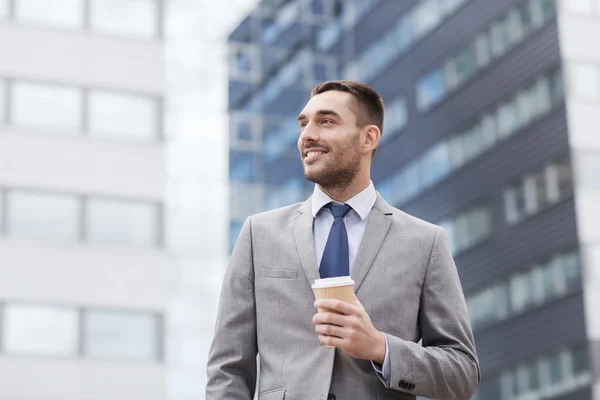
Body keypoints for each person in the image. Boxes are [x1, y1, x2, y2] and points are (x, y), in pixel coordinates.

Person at [206, 80, 480, 400]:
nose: (307, 135)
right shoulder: (259, 235)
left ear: (368, 137)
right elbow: (227, 369)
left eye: (326, 121)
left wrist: (380, 348)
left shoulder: (425, 243)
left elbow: (462, 373)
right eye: (303, 123)